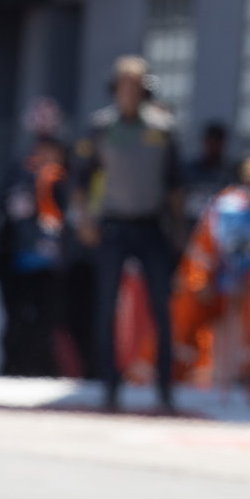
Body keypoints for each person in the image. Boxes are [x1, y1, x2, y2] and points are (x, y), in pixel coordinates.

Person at [73, 56, 183, 413]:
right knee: (107, 307)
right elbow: (80, 180)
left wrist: (178, 229)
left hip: (150, 225)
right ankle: (109, 385)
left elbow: (175, 184)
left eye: (138, 85)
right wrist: (84, 220)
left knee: (161, 309)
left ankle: (165, 387)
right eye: (125, 85)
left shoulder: (163, 128)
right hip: (113, 225)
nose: (131, 92)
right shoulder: (101, 128)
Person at [173, 154, 250, 391]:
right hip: (221, 284)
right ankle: (174, 372)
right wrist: (201, 281)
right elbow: (201, 250)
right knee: (185, 305)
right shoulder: (225, 207)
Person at [0, 98, 74, 378]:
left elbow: (68, 218)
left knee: (46, 323)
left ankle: (40, 369)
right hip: (17, 262)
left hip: (49, 264)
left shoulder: (62, 178)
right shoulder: (16, 174)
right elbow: (1, 214)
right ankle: (12, 368)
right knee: (15, 322)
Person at [179, 120, 233, 238]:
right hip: (192, 230)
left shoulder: (230, 174)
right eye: (210, 142)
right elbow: (179, 201)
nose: (213, 147)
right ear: (204, 142)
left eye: (217, 142)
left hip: (219, 234)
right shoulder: (189, 171)